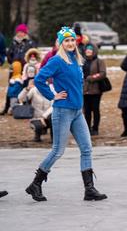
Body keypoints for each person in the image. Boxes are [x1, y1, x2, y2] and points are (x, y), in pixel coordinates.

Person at [25, 27, 107, 202]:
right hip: (63, 111)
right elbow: (39, 79)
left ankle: (89, 189)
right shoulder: (57, 61)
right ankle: (36, 183)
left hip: (78, 111)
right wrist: (52, 96)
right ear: (61, 43)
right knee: (57, 150)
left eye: (72, 40)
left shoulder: (76, 59)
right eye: (66, 41)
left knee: (86, 148)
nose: (70, 43)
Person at [2, 24, 36, 115]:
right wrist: (12, 61)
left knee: (25, 88)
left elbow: (33, 54)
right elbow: (9, 55)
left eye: (21, 32)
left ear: (25, 33)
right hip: (14, 68)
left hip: (25, 69)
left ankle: (24, 108)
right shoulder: (14, 42)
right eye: (18, 32)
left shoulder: (30, 43)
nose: (19, 34)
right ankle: (7, 106)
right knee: (11, 88)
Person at [82, 43, 106, 136]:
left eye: (90, 49)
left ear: (94, 51)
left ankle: (95, 128)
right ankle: (87, 128)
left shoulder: (99, 61)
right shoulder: (82, 61)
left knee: (95, 110)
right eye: (87, 49)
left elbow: (103, 73)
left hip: (96, 90)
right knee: (86, 110)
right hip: (84, 90)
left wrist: (92, 78)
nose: (88, 51)